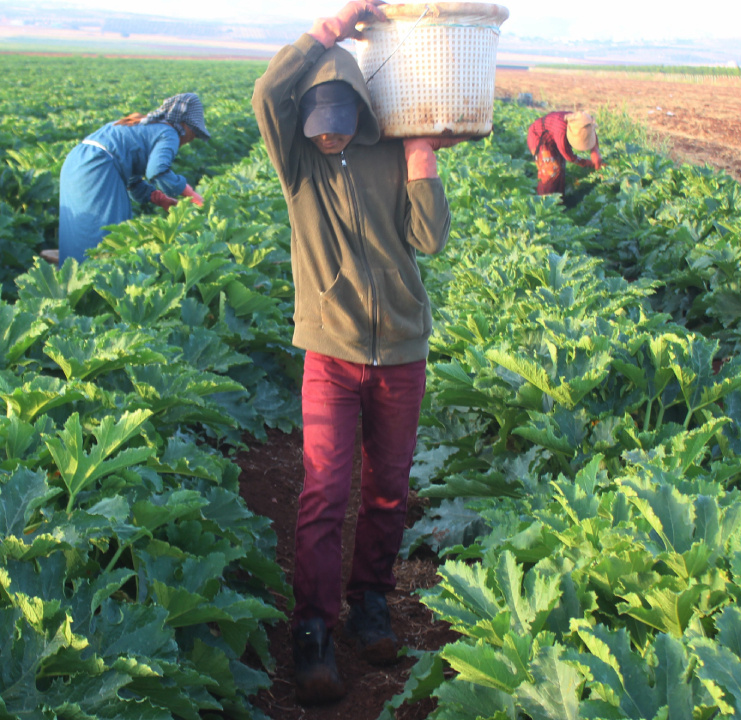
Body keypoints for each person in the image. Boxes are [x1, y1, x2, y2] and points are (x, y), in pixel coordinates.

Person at [252, 0, 461, 705]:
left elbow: (429, 239)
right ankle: (312, 628)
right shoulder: (298, 163)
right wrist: (332, 28)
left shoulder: (385, 149)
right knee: (321, 492)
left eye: (344, 126)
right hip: (330, 355)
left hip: (402, 348)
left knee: (388, 487)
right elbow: (265, 94)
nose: (333, 139)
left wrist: (422, 158)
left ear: (365, 115)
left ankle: (370, 601)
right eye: (321, 127)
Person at [54, 93, 208, 265]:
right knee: (108, 232)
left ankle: (73, 276)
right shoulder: (169, 133)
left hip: (76, 161)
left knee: (80, 224)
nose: (190, 140)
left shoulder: (143, 125)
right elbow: (157, 171)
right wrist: (192, 194)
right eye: (193, 134)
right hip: (98, 167)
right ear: (185, 126)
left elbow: (133, 180)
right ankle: (97, 280)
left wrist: (160, 199)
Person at [526, 110, 604, 196]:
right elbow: (569, 156)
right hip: (539, 137)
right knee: (551, 170)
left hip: (553, 137)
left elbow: (590, 132)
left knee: (561, 169)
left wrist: (595, 151)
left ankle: (559, 202)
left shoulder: (581, 123)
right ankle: (544, 201)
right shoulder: (561, 132)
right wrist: (588, 163)